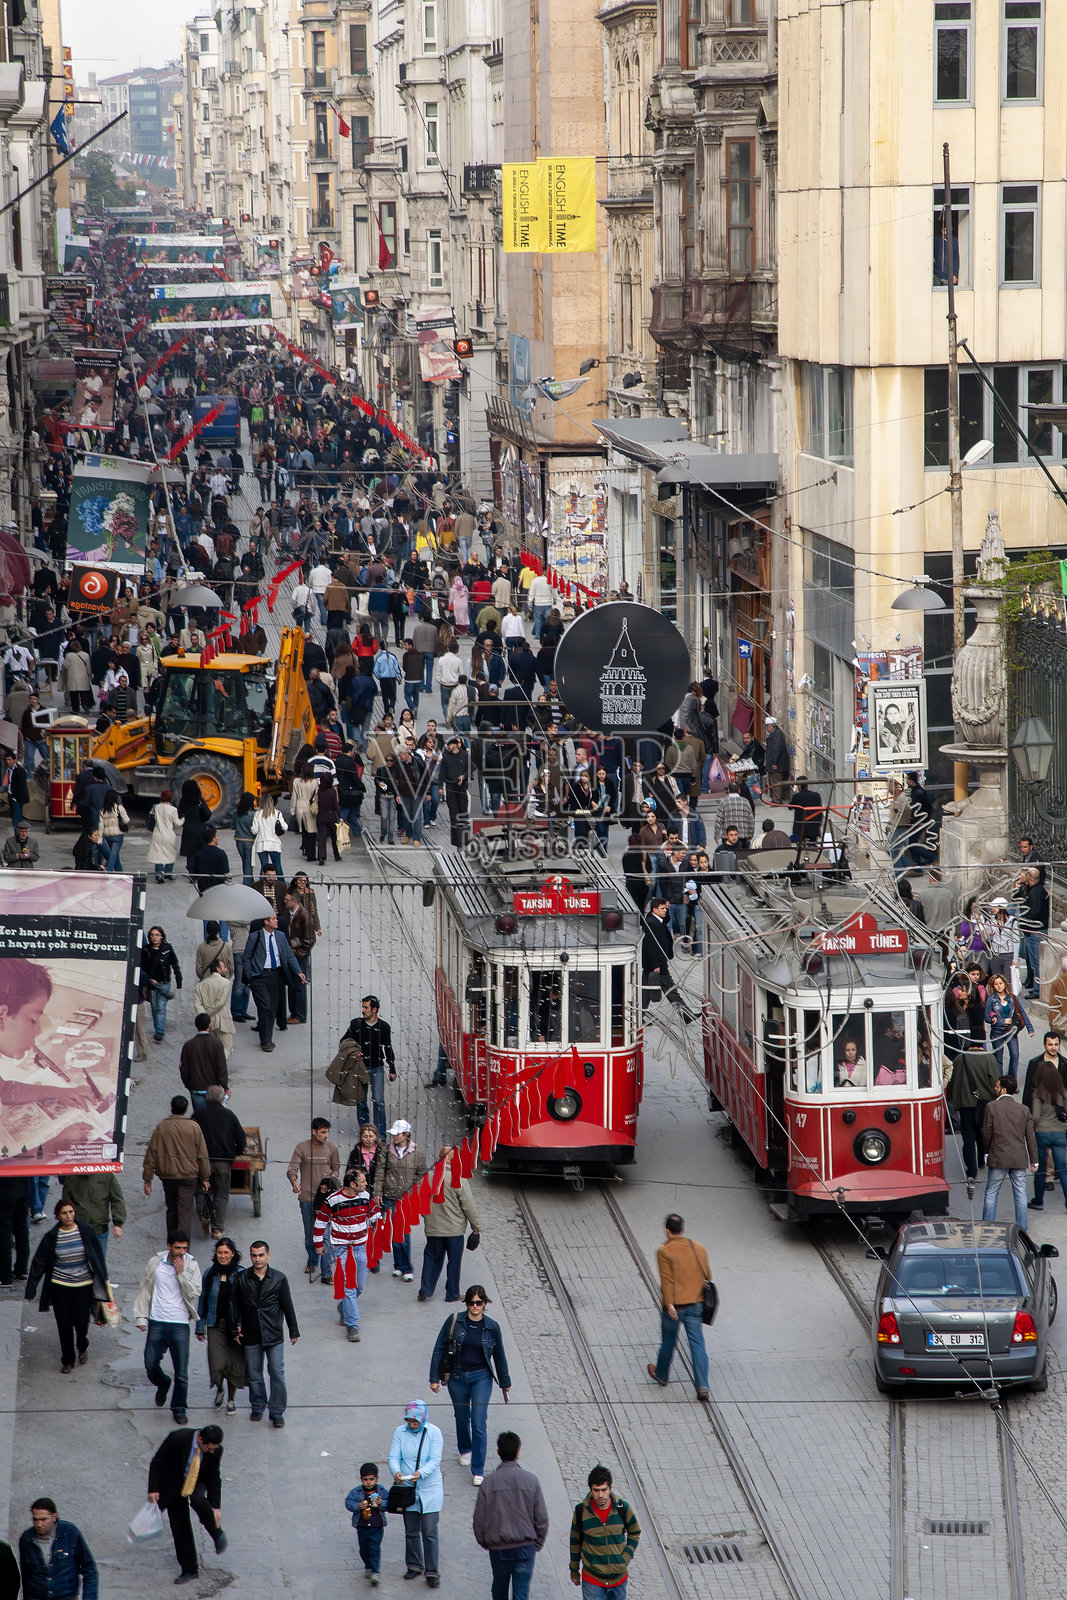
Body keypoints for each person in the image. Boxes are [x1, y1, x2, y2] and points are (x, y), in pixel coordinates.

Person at [429, 1284, 511, 1485]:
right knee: (461, 1416)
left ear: (484, 1303)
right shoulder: (455, 1321)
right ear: (466, 1304)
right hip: (457, 1376)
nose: (475, 1306)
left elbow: (499, 1356)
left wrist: (505, 1382)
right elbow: (439, 1348)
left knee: (478, 1421)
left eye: (479, 1302)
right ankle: (465, 1449)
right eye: (471, 1302)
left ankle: (478, 1469)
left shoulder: (492, 1327)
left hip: (481, 1377)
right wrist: (433, 1378)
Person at [25, 1198, 108, 1375]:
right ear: (58, 1216)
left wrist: (104, 1280)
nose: (69, 1216)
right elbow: (39, 1262)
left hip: (83, 1284)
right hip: (60, 1285)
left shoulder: (85, 1230)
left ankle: (82, 1345)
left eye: (71, 1212)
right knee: (64, 1324)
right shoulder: (52, 1236)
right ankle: (68, 1360)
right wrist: (31, 1289)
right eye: (64, 1213)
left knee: (80, 1321)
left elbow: (97, 1256)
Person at [133, 1230, 203, 1425]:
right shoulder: (156, 1262)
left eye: (184, 1248)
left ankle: (179, 1408)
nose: (181, 1252)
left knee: (181, 1371)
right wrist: (141, 1317)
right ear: (169, 1246)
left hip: (179, 1324)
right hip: (157, 1321)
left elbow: (194, 1293)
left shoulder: (191, 1264)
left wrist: (181, 1275)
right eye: (177, 1248)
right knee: (150, 1364)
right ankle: (163, 1383)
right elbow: (145, 1289)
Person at [473, 1431, 550, 1600]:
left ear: (498, 1453)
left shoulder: (489, 1482)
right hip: (525, 1548)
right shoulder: (531, 1480)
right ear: (518, 1453)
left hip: (498, 1548)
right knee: (521, 1594)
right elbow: (542, 1518)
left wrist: (484, 1541)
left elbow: (479, 1519)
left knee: (499, 1589)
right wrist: (536, 1544)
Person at [147, 1424, 227, 1585]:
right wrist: (153, 1489)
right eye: (208, 1448)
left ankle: (217, 1533)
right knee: (180, 1524)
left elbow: (213, 1476)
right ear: (199, 1439)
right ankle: (189, 1569)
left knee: (198, 1500)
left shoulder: (215, 1450)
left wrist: (216, 1506)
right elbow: (157, 1462)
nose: (211, 1451)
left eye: (214, 1449)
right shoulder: (178, 1438)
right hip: (175, 1483)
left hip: (198, 1479)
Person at [231, 1239, 300, 1426]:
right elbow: (235, 1306)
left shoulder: (279, 1278)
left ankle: (277, 1412)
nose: (257, 1259)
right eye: (254, 1255)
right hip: (250, 1334)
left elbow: (288, 1306)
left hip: (273, 1335)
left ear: (268, 1256)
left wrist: (294, 1330)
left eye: (261, 1255)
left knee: (277, 1372)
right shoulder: (242, 1279)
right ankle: (258, 1405)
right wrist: (235, 1328)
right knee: (254, 1374)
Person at [646, 1212, 711, 1400]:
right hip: (697, 1304)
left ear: (667, 1231)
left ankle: (661, 1375)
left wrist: (669, 1304)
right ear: (682, 1229)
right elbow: (708, 1274)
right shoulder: (699, 1248)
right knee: (697, 1343)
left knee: (668, 1341)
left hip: (676, 1307)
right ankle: (702, 1386)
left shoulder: (664, 1252)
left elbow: (666, 1280)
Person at [314, 1168, 381, 1340]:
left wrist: (380, 1223)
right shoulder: (332, 1199)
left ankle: (344, 1306)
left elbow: (374, 1214)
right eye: (363, 1181)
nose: (366, 1183)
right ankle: (353, 1326)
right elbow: (320, 1222)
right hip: (342, 1250)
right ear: (352, 1184)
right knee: (349, 1288)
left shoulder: (365, 1196)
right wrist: (319, 1244)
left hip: (360, 1248)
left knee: (360, 1287)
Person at [388, 1399, 445, 1587]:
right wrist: (396, 1471)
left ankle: (432, 1571)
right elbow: (394, 1457)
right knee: (411, 1530)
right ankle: (414, 1565)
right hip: (407, 1488)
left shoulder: (434, 1433)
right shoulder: (399, 1432)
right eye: (409, 1422)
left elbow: (435, 1460)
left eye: (415, 1422)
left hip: (430, 1488)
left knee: (429, 1532)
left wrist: (420, 1474)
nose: (412, 1425)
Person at [418, 1146, 481, 1303]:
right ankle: (452, 1293)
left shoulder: (428, 1176)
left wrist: (427, 1217)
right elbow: (468, 1205)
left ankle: (425, 1289)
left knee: (432, 1257)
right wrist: (476, 1226)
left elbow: (420, 1201)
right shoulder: (458, 1178)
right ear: (454, 1159)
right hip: (454, 1230)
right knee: (454, 1262)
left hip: (433, 1228)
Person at [143, 1095, 212, 1238]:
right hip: (189, 1176)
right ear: (186, 1109)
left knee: (172, 1210)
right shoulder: (193, 1126)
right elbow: (202, 1154)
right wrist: (205, 1177)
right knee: (185, 1212)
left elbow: (152, 1153)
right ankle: (184, 1249)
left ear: (171, 1108)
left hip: (168, 1176)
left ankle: (172, 1245)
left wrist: (148, 1178)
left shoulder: (162, 1127)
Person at [569, 1465, 641, 1600]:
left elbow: (634, 1532)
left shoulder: (622, 1508)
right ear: (591, 1489)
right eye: (596, 1490)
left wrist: (625, 1557)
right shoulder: (581, 1512)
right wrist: (574, 1570)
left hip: (618, 1581)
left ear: (610, 1489)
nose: (600, 1495)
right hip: (593, 1580)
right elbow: (575, 1542)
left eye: (604, 1490)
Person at [196, 1237, 247, 1413]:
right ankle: (219, 1389)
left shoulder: (242, 1274)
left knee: (234, 1364)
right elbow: (203, 1301)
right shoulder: (210, 1274)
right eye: (219, 1252)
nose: (223, 1256)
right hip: (215, 1324)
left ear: (233, 1254)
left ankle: (231, 1399)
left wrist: (241, 1326)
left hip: (235, 1326)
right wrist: (200, 1327)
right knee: (217, 1364)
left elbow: (246, 1304)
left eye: (226, 1252)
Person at [374, 1118, 428, 1281]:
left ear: (406, 1135)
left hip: (406, 1199)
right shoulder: (386, 1150)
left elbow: (422, 1174)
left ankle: (406, 1267)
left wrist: (412, 1190)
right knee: (390, 1231)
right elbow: (380, 1172)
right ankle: (398, 1266)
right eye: (394, 1134)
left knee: (403, 1233)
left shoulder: (416, 1153)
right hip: (389, 1196)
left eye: (397, 1134)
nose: (394, 1137)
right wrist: (378, 1191)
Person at [981, 1075, 1038, 1229]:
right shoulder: (1024, 1109)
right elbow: (1030, 1136)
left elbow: (987, 1133)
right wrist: (1034, 1160)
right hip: (1019, 1158)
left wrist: (986, 1152)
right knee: (1020, 1194)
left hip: (998, 1156)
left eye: (997, 1086)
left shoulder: (991, 1107)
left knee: (991, 1193)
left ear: (1003, 1089)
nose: (995, 1088)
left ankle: (987, 1227)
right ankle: (1022, 1228)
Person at [287, 1117, 341, 1276]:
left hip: (326, 1200)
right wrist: (294, 1182)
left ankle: (326, 1270)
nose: (326, 1136)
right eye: (323, 1132)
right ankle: (312, 1260)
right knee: (310, 1233)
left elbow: (336, 1168)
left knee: (326, 1234)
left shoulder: (331, 1148)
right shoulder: (302, 1148)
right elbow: (292, 1169)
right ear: (314, 1132)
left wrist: (331, 1180)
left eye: (327, 1132)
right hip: (307, 1199)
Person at [243, 913, 304, 1051]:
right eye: (273, 919)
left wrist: (298, 971)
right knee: (265, 1007)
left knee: (271, 1009)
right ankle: (265, 1041)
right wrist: (250, 975)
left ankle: (267, 1038)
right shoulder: (255, 936)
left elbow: (289, 955)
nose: (277, 921)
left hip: (276, 976)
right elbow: (246, 958)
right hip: (259, 976)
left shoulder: (280, 936)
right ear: (266, 921)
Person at [192, 1085, 246, 1237]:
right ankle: (218, 1228)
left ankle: (204, 1216)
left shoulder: (198, 1115)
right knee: (221, 1194)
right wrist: (234, 1154)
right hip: (223, 1161)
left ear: (207, 1098)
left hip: (202, 1162)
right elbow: (241, 1140)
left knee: (201, 1191)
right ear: (222, 1099)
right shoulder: (229, 1115)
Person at [18, 1500, 98, 1600]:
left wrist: (89, 1597)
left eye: (43, 1519)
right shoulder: (27, 1539)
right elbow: (26, 1576)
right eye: (35, 1520)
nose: (39, 1524)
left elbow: (89, 1569)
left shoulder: (70, 1533)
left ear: (54, 1517)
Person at [343, 994, 397, 1137]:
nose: (363, 1010)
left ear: (374, 1009)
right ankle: (366, 1132)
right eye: (363, 1007)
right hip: (360, 1068)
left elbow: (387, 1048)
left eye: (366, 1007)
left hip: (377, 1068)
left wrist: (392, 1069)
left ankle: (381, 1135)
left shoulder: (384, 1027)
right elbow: (344, 1041)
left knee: (379, 1101)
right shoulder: (356, 1024)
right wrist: (354, 1052)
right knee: (361, 1102)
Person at [641, 898, 695, 1019]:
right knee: (671, 991)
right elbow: (651, 946)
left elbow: (666, 919)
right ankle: (687, 1015)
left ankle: (639, 1017)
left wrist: (668, 908)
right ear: (654, 910)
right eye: (662, 908)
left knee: (647, 993)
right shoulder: (651, 923)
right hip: (657, 965)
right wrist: (656, 965)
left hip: (657, 964)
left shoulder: (656, 919)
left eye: (665, 908)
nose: (665, 910)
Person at [60, 1172, 126, 1263]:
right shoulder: (72, 1176)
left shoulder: (107, 1175)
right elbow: (65, 1203)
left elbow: (117, 1199)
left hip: (99, 1231)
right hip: (78, 1231)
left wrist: (118, 1223)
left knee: (98, 1266)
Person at [1027, 1062, 1067, 1211]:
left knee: (1041, 1170)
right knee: (1062, 1169)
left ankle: (1038, 1201)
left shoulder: (1038, 1093)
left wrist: (1036, 1129)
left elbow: (1036, 1116)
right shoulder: (1063, 1093)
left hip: (1042, 1133)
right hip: (1059, 1134)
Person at [345, 1462, 389, 1587]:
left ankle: (376, 1572)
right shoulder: (356, 1492)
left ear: (377, 1479)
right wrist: (358, 1506)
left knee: (374, 1548)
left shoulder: (381, 1491)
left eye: (371, 1479)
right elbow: (348, 1502)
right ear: (361, 1479)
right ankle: (368, 1566)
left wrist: (382, 1503)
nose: (369, 1482)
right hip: (362, 1525)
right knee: (364, 1548)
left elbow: (389, 1503)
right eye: (366, 1479)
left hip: (377, 1525)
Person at [984, 971, 1034, 1075]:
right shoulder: (991, 999)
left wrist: (1030, 1028)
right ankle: (1000, 1083)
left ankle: (1011, 1081)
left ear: (1005, 984)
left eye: (1000, 983)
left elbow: (1021, 1011)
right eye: (996, 984)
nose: (999, 986)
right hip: (997, 1032)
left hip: (1011, 1031)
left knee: (1015, 1055)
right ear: (993, 986)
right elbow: (987, 1017)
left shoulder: (1012, 997)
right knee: (998, 1058)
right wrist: (1001, 1021)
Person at [141, 924, 183, 1042]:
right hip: (152, 985)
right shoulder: (146, 950)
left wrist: (179, 980)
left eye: (157, 935)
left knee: (161, 1008)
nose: (155, 937)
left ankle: (160, 1031)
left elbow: (175, 964)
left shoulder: (168, 949)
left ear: (161, 936)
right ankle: (158, 1028)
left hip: (164, 982)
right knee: (155, 1007)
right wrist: (147, 980)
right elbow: (143, 966)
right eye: (153, 935)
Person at [179, 1014, 228, 1113]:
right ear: (209, 1025)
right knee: (214, 1118)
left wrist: (188, 1084)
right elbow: (221, 1067)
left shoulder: (188, 1045)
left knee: (200, 1118)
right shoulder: (216, 1043)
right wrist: (225, 1087)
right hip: (213, 1090)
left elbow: (183, 1068)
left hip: (196, 1088)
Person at [194, 957, 235, 1061]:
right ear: (218, 969)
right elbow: (220, 1003)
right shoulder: (226, 983)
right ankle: (220, 1069)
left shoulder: (200, 986)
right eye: (224, 967)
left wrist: (205, 1018)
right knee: (227, 1047)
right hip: (223, 1021)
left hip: (208, 1023)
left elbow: (197, 1005)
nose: (226, 969)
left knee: (212, 1049)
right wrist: (208, 1014)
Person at [147, 788, 181, 884]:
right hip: (169, 835)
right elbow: (177, 823)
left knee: (159, 855)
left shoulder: (156, 807)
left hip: (157, 834)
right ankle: (168, 872)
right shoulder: (173, 809)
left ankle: (159, 875)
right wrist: (184, 819)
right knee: (171, 853)